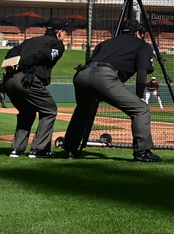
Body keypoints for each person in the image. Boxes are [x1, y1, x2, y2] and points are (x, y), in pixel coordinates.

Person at [62, 19, 161, 163]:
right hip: (105, 76)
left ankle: (70, 150)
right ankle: (142, 153)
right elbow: (142, 71)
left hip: (82, 75)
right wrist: (140, 96)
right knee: (141, 109)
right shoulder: (142, 45)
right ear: (138, 33)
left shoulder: (105, 43)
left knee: (83, 111)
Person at [3, 20, 67, 158]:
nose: (65, 34)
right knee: (50, 110)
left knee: (27, 112)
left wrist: (10, 63)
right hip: (27, 79)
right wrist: (20, 64)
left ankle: (17, 150)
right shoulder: (57, 44)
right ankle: (40, 149)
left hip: (9, 80)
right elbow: (43, 55)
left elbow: (12, 51)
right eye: (64, 31)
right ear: (59, 32)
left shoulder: (30, 41)